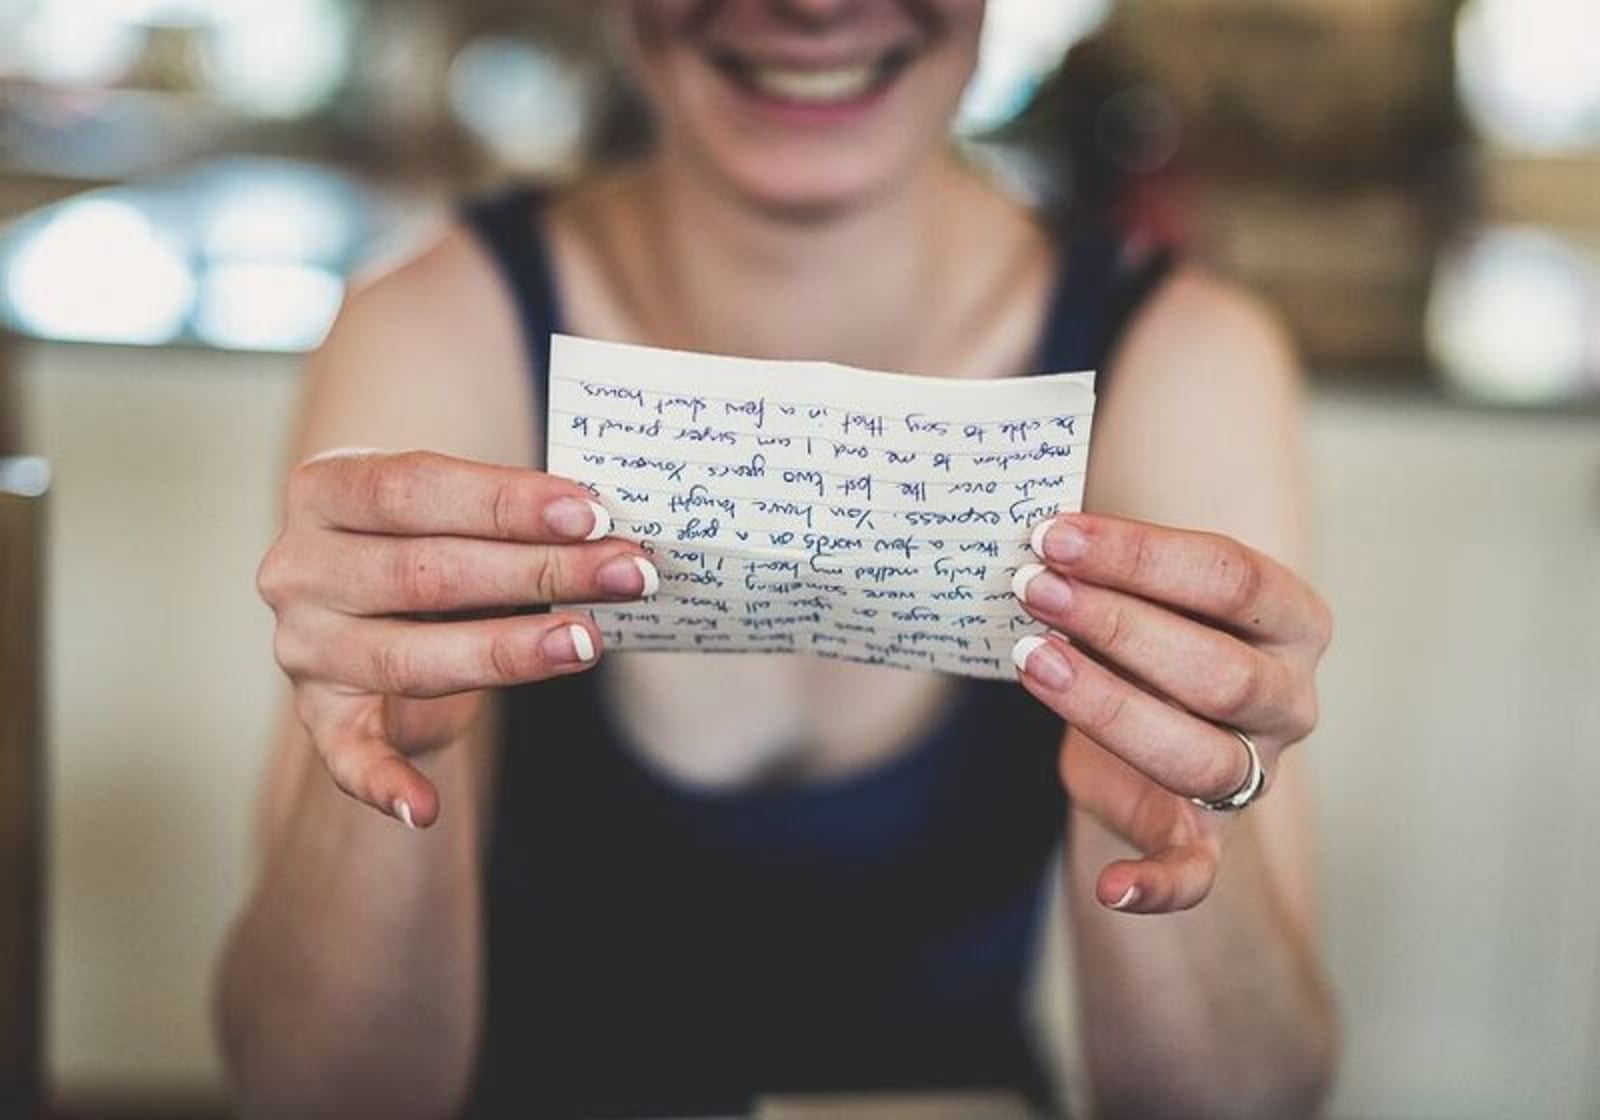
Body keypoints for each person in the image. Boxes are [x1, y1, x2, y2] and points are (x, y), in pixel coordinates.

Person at [217, 2, 1337, 1116]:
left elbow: (1243, 1102)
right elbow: (312, 1092)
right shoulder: (432, 329)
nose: (811, 7)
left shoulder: (1176, 356)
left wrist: (1165, 804)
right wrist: (382, 755)